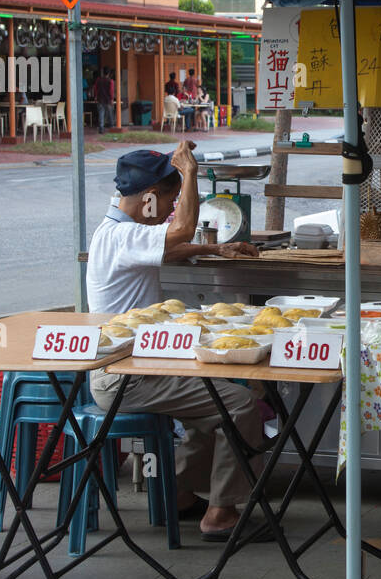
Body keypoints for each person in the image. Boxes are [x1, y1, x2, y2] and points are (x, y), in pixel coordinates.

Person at [86, 143, 265, 540]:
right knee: (241, 405)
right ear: (148, 197)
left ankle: (179, 492)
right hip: (125, 378)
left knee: (214, 408)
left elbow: (174, 246)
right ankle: (220, 515)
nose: (170, 209)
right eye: (168, 199)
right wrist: (189, 174)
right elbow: (180, 231)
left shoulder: (115, 232)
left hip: (132, 370)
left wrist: (215, 247)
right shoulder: (122, 236)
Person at [92, 67, 114, 135]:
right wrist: (112, 99)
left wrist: (95, 97)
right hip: (108, 100)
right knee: (110, 114)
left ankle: (101, 128)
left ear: (103, 72)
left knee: (101, 114)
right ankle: (111, 127)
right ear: (109, 73)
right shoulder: (110, 81)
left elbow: (95, 89)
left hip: (100, 99)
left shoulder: (98, 80)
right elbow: (111, 91)